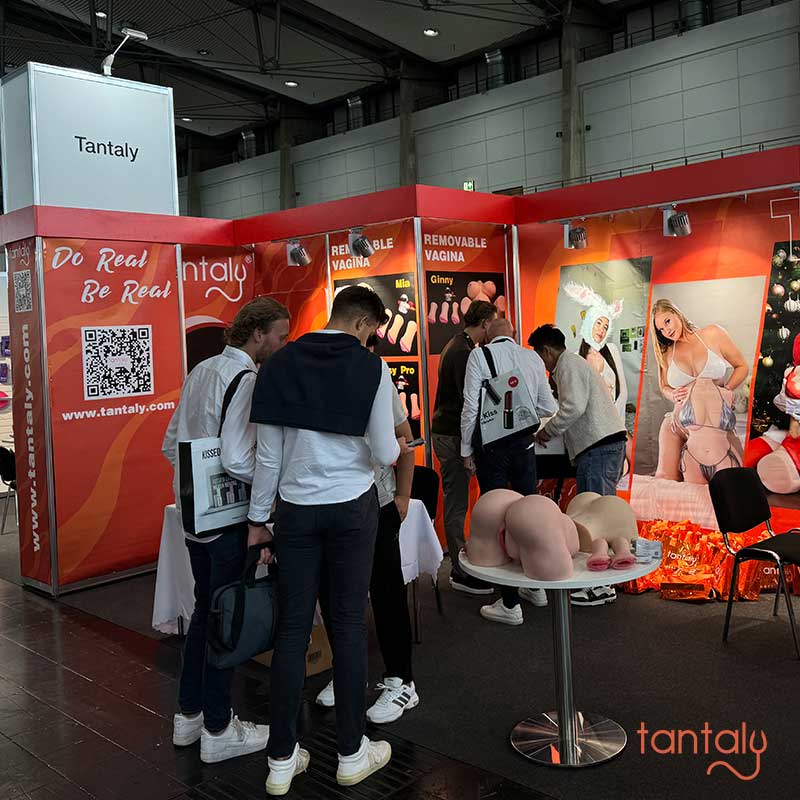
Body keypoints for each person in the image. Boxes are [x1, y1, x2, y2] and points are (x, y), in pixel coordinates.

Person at [246, 286, 406, 795]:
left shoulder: (279, 364)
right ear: (361, 323)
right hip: (352, 508)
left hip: (295, 511)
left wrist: (257, 518)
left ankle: (280, 760)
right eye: (372, 330)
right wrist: (387, 448)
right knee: (348, 624)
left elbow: (268, 457)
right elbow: (386, 450)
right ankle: (352, 755)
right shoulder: (370, 368)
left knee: (292, 630)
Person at [162, 296, 290, 764]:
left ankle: (189, 715)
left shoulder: (201, 370)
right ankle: (218, 727)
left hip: (195, 517)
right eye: (280, 335)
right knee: (225, 617)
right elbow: (237, 458)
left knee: (205, 612)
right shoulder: (248, 379)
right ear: (258, 334)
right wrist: (273, 479)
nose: (282, 344)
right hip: (229, 521)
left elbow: (170, 443)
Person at [316, 333, 419, 723]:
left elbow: (403, 439)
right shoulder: (315, 379)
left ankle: (401, 680)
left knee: (386, 591)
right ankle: (348, 673)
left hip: (376, 502)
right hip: (331, 504)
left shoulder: (376, 376)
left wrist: (403, 496)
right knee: (338, 594)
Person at [460, 318, 557, 625]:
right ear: (513, 334)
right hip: (524, 447)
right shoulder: (532, 358)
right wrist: (522, 416)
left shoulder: (479, 356)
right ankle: (536, 587)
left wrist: (466, 450)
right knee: (530, 513)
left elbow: (470, 408)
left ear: (488, 334)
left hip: (491, 449)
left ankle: (510, 603)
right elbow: (548, 406)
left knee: (497, 518)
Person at [530, 324, 626, 607]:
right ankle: (605, 579)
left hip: (598, 446)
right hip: (604, 444)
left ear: (546, 351)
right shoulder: (573, 363)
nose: (543, 364)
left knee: (596, 514)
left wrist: (547, 431)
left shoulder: (567, 365)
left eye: (540, 357)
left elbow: (573, 407)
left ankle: (600, 585)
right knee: (602, 511)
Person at [431, 299, 497, 595]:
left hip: (449, 433)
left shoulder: (459, 346)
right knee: (457, 502)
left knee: (458, 500)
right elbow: (469, 401)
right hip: (452, 435)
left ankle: (464, 564)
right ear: (485, 323)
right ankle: (460, 571)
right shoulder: (463, 352)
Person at [650, 299, 748, 483]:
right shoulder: (666, 353)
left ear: (676, 313)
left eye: (667, 322)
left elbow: (742, 366)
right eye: (661, 329)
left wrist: (726, 391)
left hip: (715, 424)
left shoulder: (712, 334)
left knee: (734, 481)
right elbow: (663, 386)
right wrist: (672, 394)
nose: (666, 331)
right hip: (678, 424)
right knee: (665, 482)